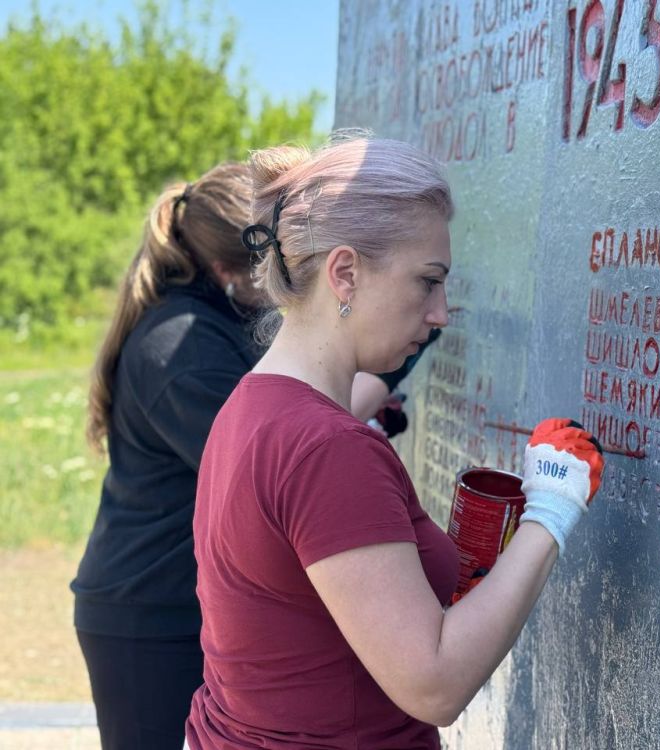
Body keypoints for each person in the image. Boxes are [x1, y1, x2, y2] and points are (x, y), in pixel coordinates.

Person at [184, 134, 606, 749]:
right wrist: (550, 513)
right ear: (346, 273)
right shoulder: (326, 448)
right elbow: (432, 685)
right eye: (427, 282)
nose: (440, 312)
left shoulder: (251, 404)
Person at [73, 162, 433, 750]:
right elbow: (271, 457)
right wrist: (389, 373)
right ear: (230, 269)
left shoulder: (208, 322)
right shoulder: (180, 346)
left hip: (177, 604)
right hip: (148, 614)